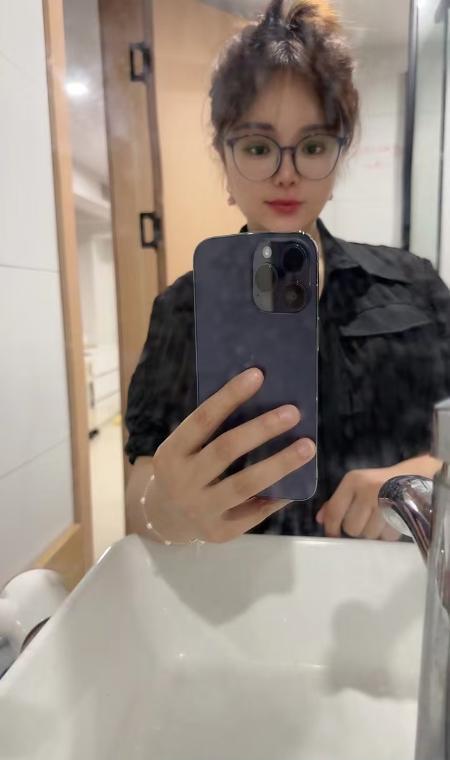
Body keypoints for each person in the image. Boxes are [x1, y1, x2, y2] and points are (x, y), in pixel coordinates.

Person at [125, 0, 450, 545]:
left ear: (338, 157)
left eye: (313, 146)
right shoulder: (183, 308)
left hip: (382, 585)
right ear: (224, 159)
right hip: (234, 587)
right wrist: (163, 510)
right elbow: (141, 488)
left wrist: (425, 478)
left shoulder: (415, 288)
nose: (286, 174)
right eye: (258, 147)